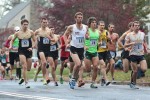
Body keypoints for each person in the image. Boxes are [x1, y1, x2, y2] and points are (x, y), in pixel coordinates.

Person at [64, 12, 87, 89]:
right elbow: (65, 35)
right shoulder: (71, 27)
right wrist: (67, 43)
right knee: (78, 64)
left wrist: (87, 38)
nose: (80, 19)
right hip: (73, 48)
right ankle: (73, 79)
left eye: (81, 17)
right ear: (75, 18)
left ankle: (75, 78)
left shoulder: (85, 27)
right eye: (78, 17)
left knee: (80, 66)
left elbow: (87, 36)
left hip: (81, 49)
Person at [9, 19, 35, 88]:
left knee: (28, 68)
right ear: (21, 25)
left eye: (27, 24)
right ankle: (26, 83)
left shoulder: (31, 32)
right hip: (21, 51)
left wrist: (32, 47)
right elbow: (12, 40)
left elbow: (35, 41)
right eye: (24, 24)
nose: (26, 26)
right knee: (24, 66)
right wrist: (11, 46)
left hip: (29, 50)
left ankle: (23, 78)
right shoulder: (18, 33)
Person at [125, 21, 148, 89]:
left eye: (138, 25)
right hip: (133, 54)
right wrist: (131, 43)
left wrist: (147, 48)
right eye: (136, 25)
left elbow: (145, 42)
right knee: (135, 71)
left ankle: (137, 67)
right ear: (133, 26)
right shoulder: (129, 35)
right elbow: (125, 45)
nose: (137, 27)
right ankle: (133, 83)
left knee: (144, 69)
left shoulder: (142, 34)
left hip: (141, 54)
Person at [34, 18, 54, 85]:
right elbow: (32, 36)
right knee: (44, 62)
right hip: (40, 49)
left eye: (46, 22)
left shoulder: (49, 31)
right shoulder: (38, 31)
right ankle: (45, 78)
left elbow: (53, 39)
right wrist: (34, 44)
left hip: (47, 49)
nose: (45, 24)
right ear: (41, 23)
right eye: (43, 22)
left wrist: (51, 40)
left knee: (43, 64)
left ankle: (39, 75)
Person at [84, 17, 99, 88]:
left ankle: (93, 83)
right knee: (88, 70)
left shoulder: (97, 32)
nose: (94, 23)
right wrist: (84, 46)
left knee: (96, 67)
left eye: (95, 22)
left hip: (95, 52)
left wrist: (99, 43)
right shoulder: (87, 31)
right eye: (93, 22)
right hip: (88, 51)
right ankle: (79, 68)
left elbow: (97, 40)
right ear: (90, 24)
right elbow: (83, 39)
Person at [97, 21, 111, 86]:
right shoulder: (96, 32)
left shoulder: (106, 32)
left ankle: (102, 78)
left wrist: (109, 39)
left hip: (105, 51)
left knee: (109, 64)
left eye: (103, 25)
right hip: (98, 51)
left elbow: (109, 41)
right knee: (103, 65)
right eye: (101, 25)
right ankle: (106, 79)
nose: (102, 26)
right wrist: (99, 43)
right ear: (98, 26)